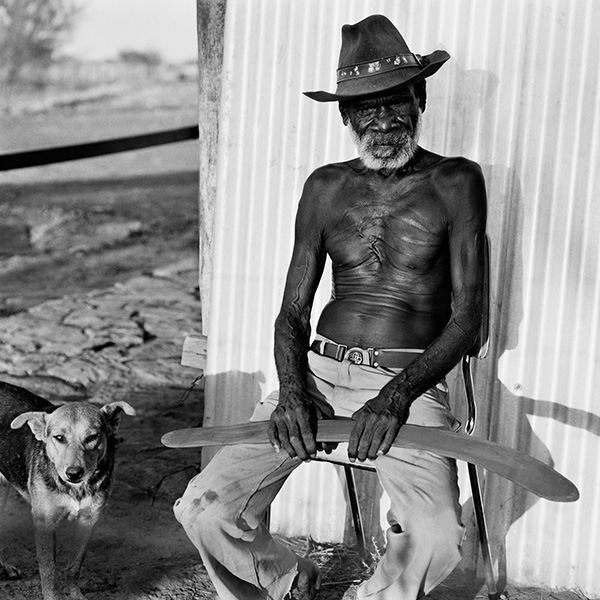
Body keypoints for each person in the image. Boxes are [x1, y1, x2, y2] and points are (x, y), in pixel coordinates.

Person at [174, 14, 487, 600]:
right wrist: (292, 393)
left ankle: (377, 594)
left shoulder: (456, 182)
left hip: (409, 385)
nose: (384, 121)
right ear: (345, 116)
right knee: (202, 508)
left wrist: (395, 397)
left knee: (440, 538)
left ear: (420, 99)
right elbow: (292, 313)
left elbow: (469, 320)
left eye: (397, 103)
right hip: (317, 376)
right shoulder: (325, 188)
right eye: (367, 109)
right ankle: (287, 581)